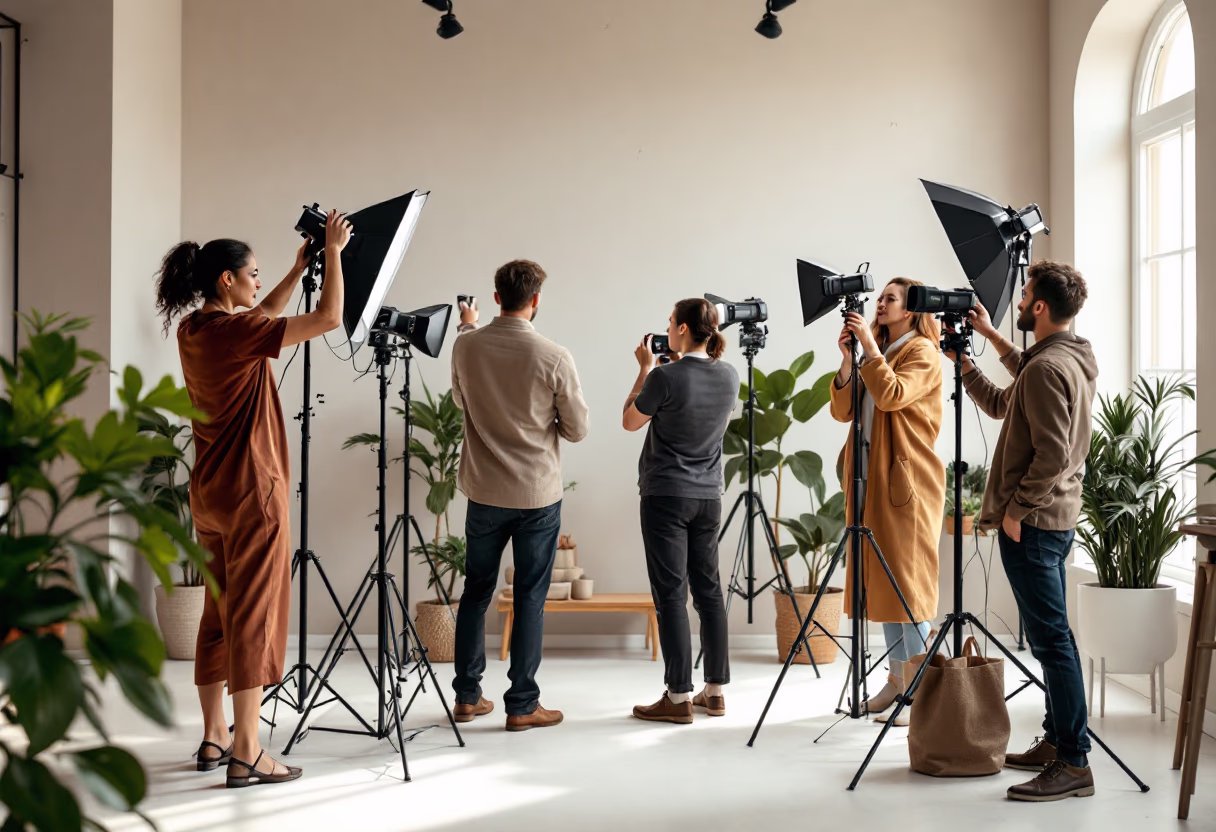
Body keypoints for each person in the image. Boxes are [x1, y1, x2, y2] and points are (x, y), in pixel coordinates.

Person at [154, 211, 352, 788]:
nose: (259, 284)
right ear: (226, 281)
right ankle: (249, 748)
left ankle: (214, 735)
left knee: (216, 617)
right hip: (252, 493)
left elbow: (261, 316)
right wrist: (334, 252)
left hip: (210, 495)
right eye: (254, 274)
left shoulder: (196, 331)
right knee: (255, 619)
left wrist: (294, 270)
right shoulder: (238, 334)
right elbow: (329, 318)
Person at [953, 261, 1097, 802]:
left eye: (1024, 297)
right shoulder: (1069, 357)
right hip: (1053, 520)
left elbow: (1053, 452)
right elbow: (1006, 402)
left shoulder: (1043, 369)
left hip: (1033, 525)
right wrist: (983, 346)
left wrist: (1015, 509)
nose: (1017, 305)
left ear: (1039, 307)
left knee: (1052, 643)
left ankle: (1074, 761)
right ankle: (1059, 740)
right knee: (1049, 638)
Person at [449, 259, 590, 731]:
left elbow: (459, 401)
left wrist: (467, 328)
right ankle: (522, 705)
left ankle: (467, 697)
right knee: (531, 597)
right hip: (536, 494)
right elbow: (577, 430)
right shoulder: (554, 356)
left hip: (484, 491)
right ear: (535, 300)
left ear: (496, 297)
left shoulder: (465, 348)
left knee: (476, 591)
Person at [830, 278, 945, 727]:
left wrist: (867, 350)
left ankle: (916, 692)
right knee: (881, 583)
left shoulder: (922, 353)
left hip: (906, 484)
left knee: (908, 586)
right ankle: (898, 681)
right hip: (869, 480)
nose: (879, 304)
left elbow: (892, 394)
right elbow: (843, 410)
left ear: (912, 310)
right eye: (880, 298)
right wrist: (848, 359)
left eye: (890, 299)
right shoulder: (878, 351)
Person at [622, 299, 739, 724]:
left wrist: (644, 370)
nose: (667, 328)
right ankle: (716, 691)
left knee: (671, 595)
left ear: (685, 329)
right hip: (709, 496)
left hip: (666, 495)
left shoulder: (663, 376)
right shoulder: (729, 374)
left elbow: (630, 422)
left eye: (671, 323)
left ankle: (677, 697)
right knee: (709, 593)